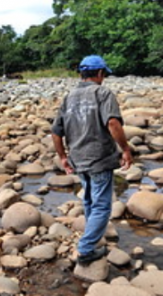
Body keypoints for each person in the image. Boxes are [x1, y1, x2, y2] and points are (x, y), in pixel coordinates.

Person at [51, 55, 133, 265]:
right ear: (99, 73)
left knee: (89, 199)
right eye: (103, 74)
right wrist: (125, 149)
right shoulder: (102, 93)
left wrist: (62, 156)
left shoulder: (69, 97)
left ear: (81, 74)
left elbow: (56, 132)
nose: (103, 78)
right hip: (99, 158)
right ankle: (86, 250)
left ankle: (90, 237)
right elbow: (113, 124)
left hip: (78, 158)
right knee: (101, 206)